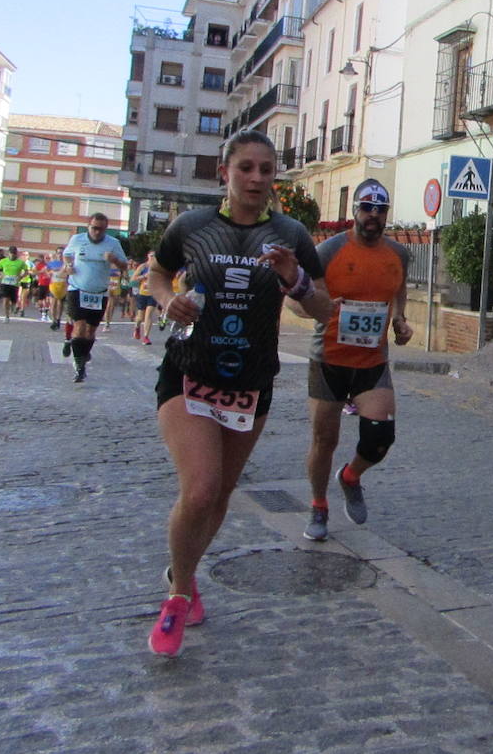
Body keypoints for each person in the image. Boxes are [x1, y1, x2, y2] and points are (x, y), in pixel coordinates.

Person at [146, 129, 330, 658]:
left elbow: (323, 309)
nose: (256, 178)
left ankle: (183, 571)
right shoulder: (192, 226)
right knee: (201, 489)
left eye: (266, 170)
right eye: (245, 167)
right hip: (188, 371)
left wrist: (296, 281)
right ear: (224, 172)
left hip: (250, 382)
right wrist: (167, 300)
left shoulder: (290, 234)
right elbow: (157, 274)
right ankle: (179, 596)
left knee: (221, 494)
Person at [298, 179, 413, 542]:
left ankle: (350, 477)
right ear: (354, 211)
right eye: (367, 208)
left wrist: (400, 319)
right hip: (328, 358)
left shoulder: (399, 254)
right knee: (324, 439)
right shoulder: (328, 251)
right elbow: (295, 298)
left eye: (380, 210)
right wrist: (316, 308)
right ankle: (318, 506)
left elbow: (399, 288)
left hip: (372, 361)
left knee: (381, 437)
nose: (373, 215)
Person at [62, 214, 128, 383]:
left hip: (99, 292)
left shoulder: (113, 243)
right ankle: (79, 366)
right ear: (88, 226)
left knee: (91, 330)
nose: (97, 232)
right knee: (79, 326)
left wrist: (114, 260)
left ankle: (83, 353)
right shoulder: (77, 239)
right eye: (94, 228)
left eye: (102, 229)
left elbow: (124, 265)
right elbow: (67, 254)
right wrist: (68, 265)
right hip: (77, 288)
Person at [0, 247, 28, 321]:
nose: (12, 255)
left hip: (15, 284)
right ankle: (6, 316)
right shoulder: (3, 261)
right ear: (8, 253)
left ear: (16, 254)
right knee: (5, 299)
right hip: (5, 283)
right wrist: (0, 275)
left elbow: (26, 271)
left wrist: (21, 277)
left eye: (14, 254)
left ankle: (12, 307)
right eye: (11, 254)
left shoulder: (21, 262)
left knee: (13, 301)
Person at [132, 253, 158, 343]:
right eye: (151, 256)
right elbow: (133, 278)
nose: (153, 258)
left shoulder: (158, 267)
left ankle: (146, 336)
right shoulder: (143, 267)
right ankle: (137, 327)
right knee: (140, 317)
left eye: (155, 256)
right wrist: (144, 276)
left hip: (153, 294)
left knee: (149, 314)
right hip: (142, 293)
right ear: (148, 256)